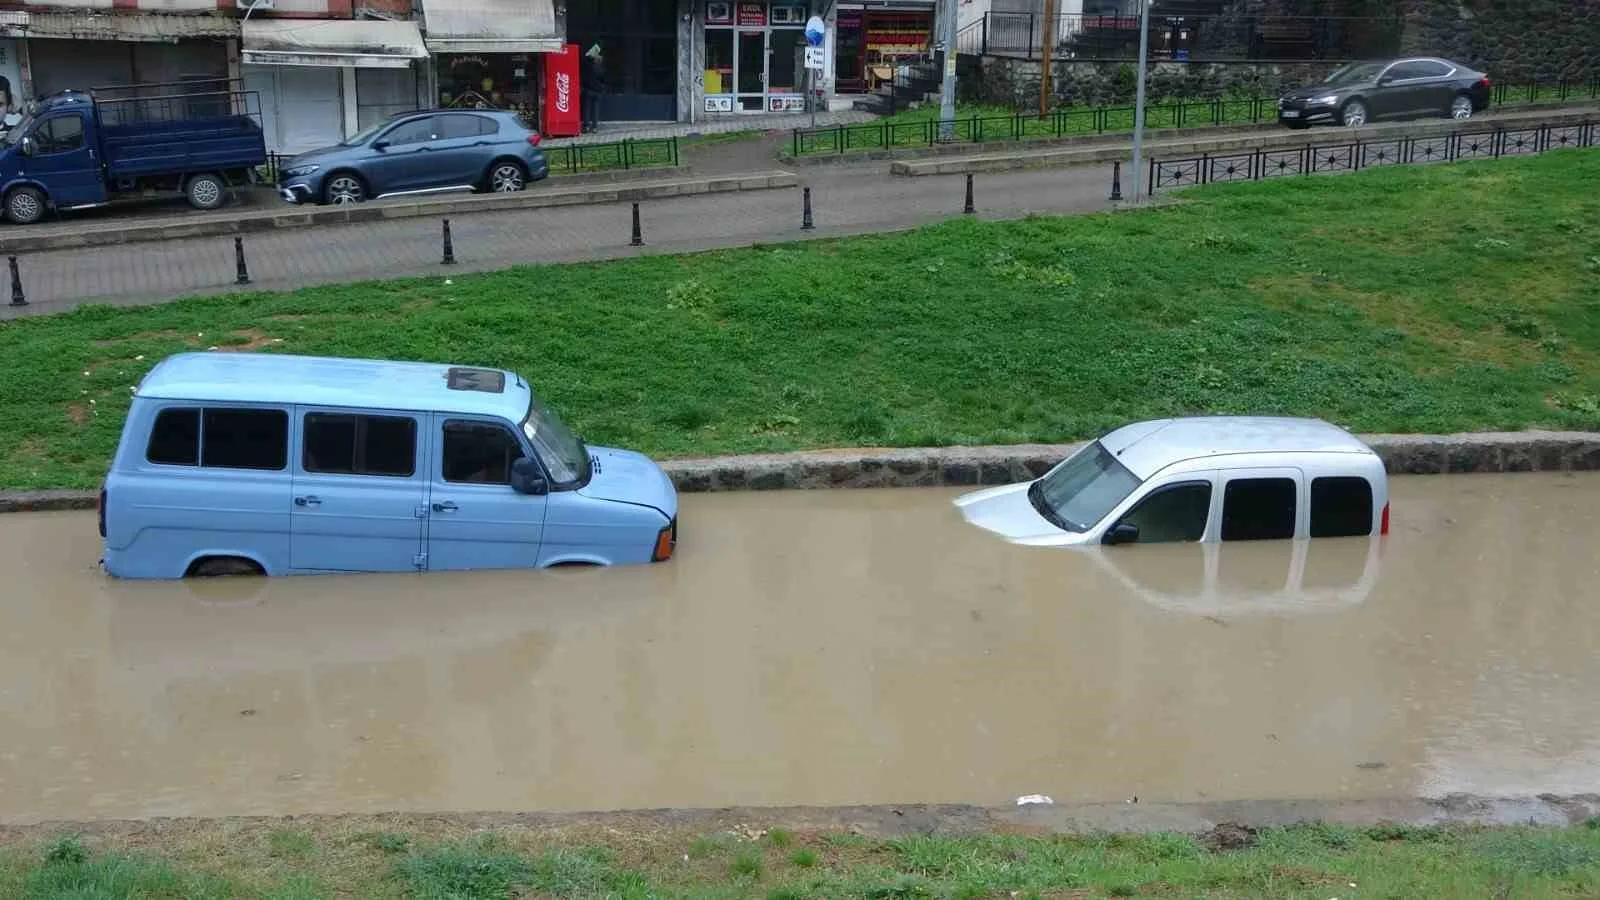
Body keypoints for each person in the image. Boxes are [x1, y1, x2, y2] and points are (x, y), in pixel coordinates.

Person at [579, 44, 605, 134]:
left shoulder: (589, 67)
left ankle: (586, 126)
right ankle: (594, 127)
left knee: (586, 109)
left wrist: (593, 50)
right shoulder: (601, 69)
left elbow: (586, 58)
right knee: (595, 109)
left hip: (588, 90)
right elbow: (603, 80)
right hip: (597, 91)